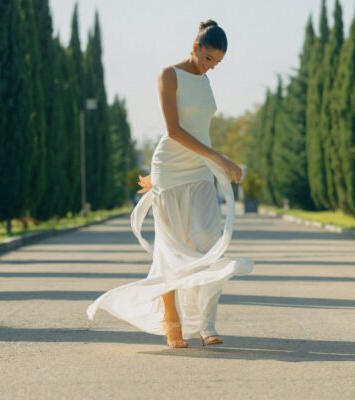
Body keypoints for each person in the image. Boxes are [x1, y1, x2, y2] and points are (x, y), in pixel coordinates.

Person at [86, 20, 253, 348]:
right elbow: (174, 131)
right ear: (195, 46)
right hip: (172, 170)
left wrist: (212, 161)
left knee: (209, 242)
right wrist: (217, 159)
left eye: (216, 63)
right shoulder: (169, 76)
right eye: (207, 59)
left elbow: (199, 128)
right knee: (171, 247)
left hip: (200, 171)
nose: (210, 67)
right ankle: (171, 321)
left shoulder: (205, 82)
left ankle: (207, 325)